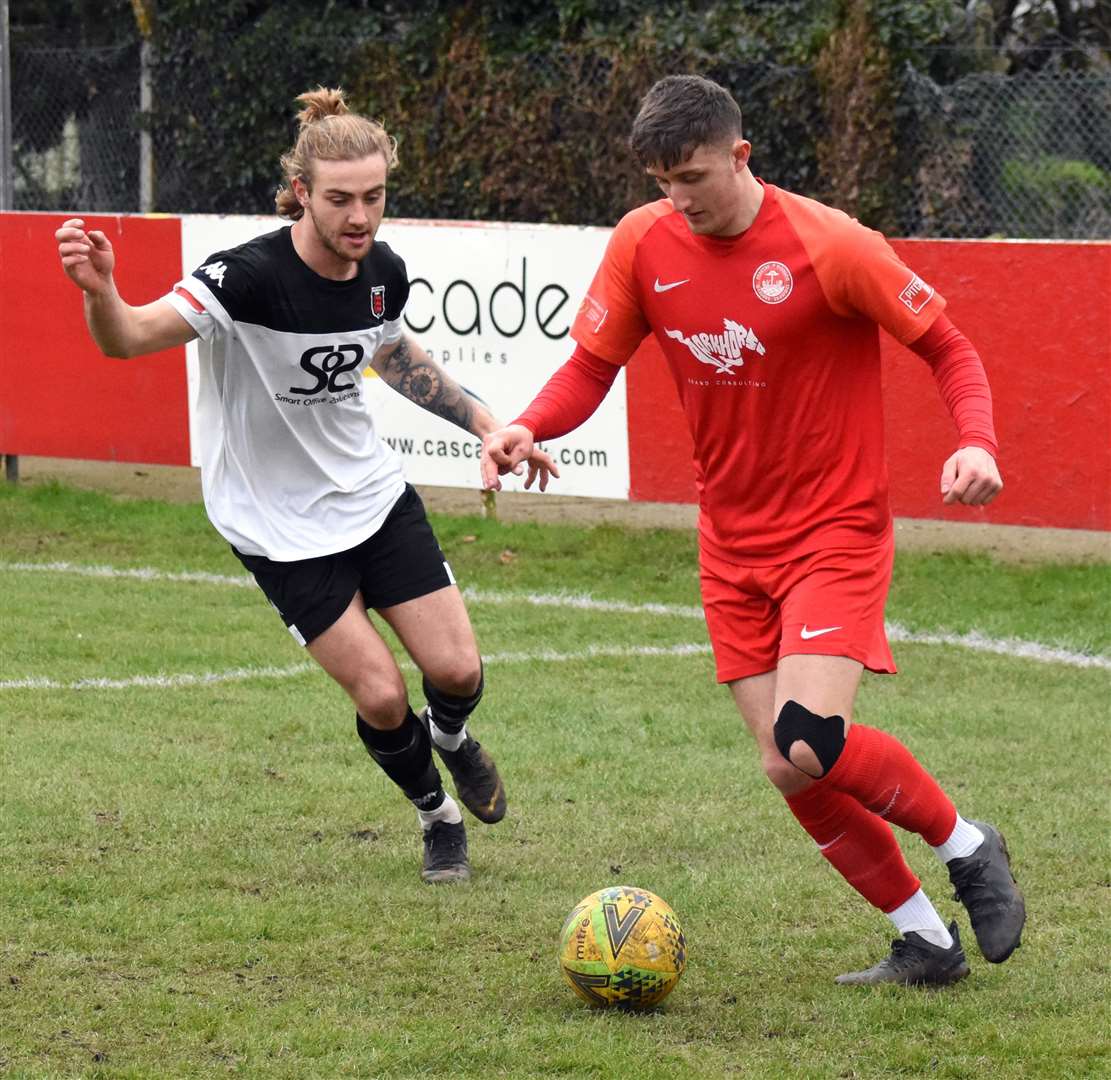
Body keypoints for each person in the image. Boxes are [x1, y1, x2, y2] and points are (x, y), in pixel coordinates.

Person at [481, 74, 1025, 984]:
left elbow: (947, 346)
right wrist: (530, 424)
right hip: (730, 543)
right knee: (787, 768)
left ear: (740, 155)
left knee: (812, 734)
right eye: (661, 181)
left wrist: (976, 442)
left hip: (832, 531)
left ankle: (966, 842)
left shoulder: (830, 244)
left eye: (692, 176)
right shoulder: (642, 241)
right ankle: (925, 941)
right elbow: (589, 363)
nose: (678, 199)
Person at [56, 87, 556, 885]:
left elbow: (397, 360)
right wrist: (102, 294)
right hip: (275, 525)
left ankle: (454, 740)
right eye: (339, 200)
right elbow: (130, 340)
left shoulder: (382, 271)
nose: (360, 217)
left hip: (372, 497)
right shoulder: (243, 277)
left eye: (374, 196)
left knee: (456, 672)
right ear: (300, 194)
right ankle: (437, 816)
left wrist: (487, 425)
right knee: (382, 696)